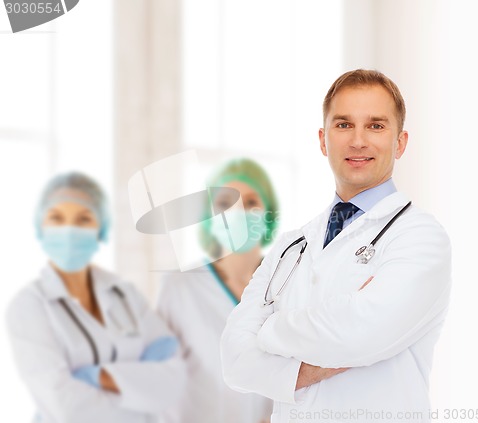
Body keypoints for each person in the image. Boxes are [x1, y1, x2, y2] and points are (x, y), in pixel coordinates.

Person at [220, 70, 452, 423]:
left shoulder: (420, 237)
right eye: (343, 125)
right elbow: (234, 360)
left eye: (376, 126)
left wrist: (269, 330)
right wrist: (306, 371)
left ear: (400, 142)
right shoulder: (290, 246)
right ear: (323, 140)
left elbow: (361, 332)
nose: (358, 141)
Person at [5, 171, 186, 423]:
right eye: (56, 218)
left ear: (101, 228)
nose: (69, 230)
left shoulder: (125, 294)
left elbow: (173, 380)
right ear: (41, 227)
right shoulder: (29, 306)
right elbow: (65, 407)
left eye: (83, 219)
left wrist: (94, 377)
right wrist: (139, 394)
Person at [156, 158, 278, 423]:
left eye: (251, 203)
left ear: (268, 215)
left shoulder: (288, 285)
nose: (238, 213)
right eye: (225, 204)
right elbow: (160, 387)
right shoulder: (180, 288)